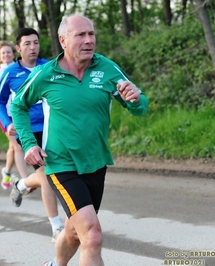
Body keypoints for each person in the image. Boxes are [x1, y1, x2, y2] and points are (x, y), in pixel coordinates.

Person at [10, 14, 149, 266]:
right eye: (80, 35)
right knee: (92, 236)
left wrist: (137, 99)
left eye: (91, 34)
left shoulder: (107, 68)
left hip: (95, 161)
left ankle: (56, 264)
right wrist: (29, 143)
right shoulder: (46, 74)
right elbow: (18, 106)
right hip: (60, 163)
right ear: (63, 40)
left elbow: (139, 107)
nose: (88, 40)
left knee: (75, 232)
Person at [0, 28, 64, 243]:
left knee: (55, 174)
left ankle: (21, 185)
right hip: (27, 130)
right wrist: (8, 124)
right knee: (46, 176)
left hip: (53, 127)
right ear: (18, 48)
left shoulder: (49, 67)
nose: (32, 47)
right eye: (27, 44)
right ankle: (57, 228)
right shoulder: (10, 73)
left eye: (35, 42)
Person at [0, 41, 28, 190]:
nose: (6, 55)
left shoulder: (21, 69)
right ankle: (25, 181)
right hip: (6, 116)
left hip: (21, 114)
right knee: (18, 146)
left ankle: (7, 172)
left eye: (9, 52)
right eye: (3, 53)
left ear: (14, 53)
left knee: (12, 147)